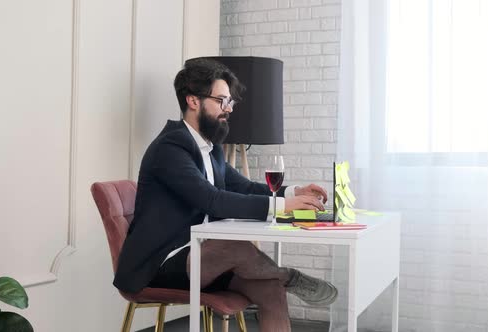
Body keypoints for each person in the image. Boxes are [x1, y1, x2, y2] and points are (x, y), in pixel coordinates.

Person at [115, 58, 338, 331]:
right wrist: (282, 206)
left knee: (270, 291)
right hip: (161, 263)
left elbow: (243, 186)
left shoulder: (210, 146)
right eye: (221, 100)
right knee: (235, 247)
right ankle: (287, 276)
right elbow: (212, 200)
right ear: (193, 101)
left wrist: (293, 191)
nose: (228, 109)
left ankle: (279, 281)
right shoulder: (170, 148)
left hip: (203, 257)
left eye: (229, 102)